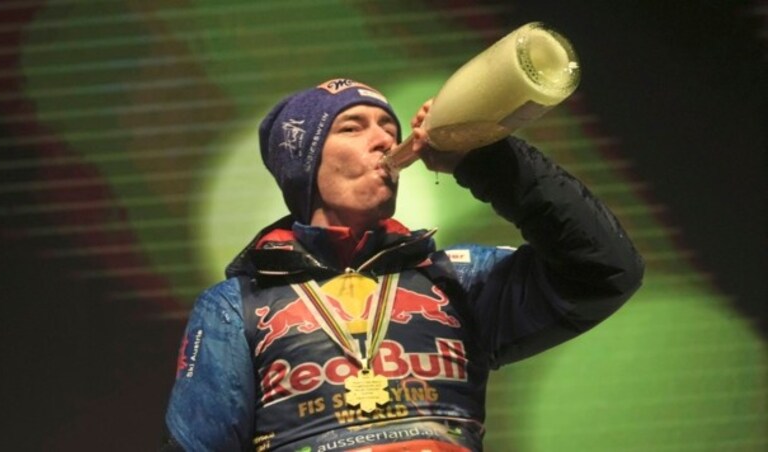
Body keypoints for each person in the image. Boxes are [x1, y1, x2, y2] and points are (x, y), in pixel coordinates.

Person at [162, 78, 644, 451]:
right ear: (302, 163)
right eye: (353, 127)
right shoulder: (238, 305)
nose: (383, 139)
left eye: (389, 129)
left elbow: (604, 269)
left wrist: (486, 158)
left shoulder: (456, 278)